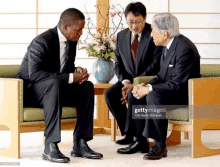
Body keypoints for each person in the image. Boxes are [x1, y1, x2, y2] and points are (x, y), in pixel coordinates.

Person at [16, 8, 103, 163]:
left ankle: (80, 143)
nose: (81, 33)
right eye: (78, 29)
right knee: (53, 83)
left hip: (55, 89)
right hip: (32, 92)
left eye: (82, 29)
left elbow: (64, 69)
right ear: (65, 28)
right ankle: (50, 146)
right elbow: (35, 75)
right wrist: (70, 76)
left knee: (86, 87)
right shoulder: (42, 41)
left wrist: (76, 71)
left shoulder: (72, 41)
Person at [117, 13, 200, 160]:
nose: (151, 35)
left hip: (186, 95)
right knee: (133, 93)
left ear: (165, 33)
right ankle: (140, 141)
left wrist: (149, 90)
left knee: (154, 95)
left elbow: (178, 84)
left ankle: (160, 145)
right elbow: (161, 77)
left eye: (153, 30)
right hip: (171, 91)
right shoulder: (168, 46)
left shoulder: (184, 48)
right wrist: (144, 86)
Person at [105, 2, 163, 148]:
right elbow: (118, 64)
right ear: (126, 20)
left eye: (138, 22)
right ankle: (129, 133)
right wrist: (125, 82)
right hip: (127, 80)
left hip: (147, 80)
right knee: (110, 94)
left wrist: (135, 83)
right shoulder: (121, 36)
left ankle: (139, 137)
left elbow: (155, 65)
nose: (134, 26)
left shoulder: (153, 33)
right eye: (130, 22)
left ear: (145, 18)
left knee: (133, 94)